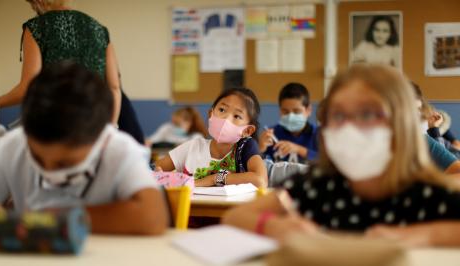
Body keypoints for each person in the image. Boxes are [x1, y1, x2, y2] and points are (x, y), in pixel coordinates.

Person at [224, 64, 460, 247]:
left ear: (401, 125)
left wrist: (421, 235)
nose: (349, 128)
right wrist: (274, 227)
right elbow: (235, 217)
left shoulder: (423, 189)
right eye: (338, 117)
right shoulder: (320, 185)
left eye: (366, 115)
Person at [0, 62, 168, 235]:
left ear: (101, 140)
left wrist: (54, 218)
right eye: (36, 158)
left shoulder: (120, 150)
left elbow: (153, 217)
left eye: (65, 163)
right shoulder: (16, 144)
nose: (48, 171)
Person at [0, 0, 121, 124]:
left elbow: (29, 86)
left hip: (55, 124)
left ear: (40, 1)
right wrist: (111, 128)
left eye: (32, 4)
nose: (34, 9)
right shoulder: (100, 30)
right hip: (95, 125)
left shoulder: (37, 27)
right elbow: (114, 88)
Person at [155, 88, 267, 188]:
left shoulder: (246, 147)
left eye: (237, 116)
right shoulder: (192, 147)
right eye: (222, 110)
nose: (226, 119)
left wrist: (214, 179)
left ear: (247, 131)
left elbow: (260, 180)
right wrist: (159, 175)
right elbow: (157, 169)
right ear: (211, 114)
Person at [259, 83, 319, 163]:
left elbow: (330, 163)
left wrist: (299, 150)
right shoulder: (271, 135)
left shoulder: (319, 135)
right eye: (285, 111)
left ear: (308, 110)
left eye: (297, 111)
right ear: (280, 111)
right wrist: (259, 149)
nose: (290, 116)